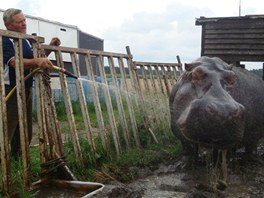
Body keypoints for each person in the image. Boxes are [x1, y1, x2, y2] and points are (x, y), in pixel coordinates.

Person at [2, 8, 61, 158]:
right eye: (19, 21)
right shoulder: (5, 39)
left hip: (26, 88)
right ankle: (3, 166)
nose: (24, 23)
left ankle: (18, 162)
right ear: (9, 24)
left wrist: (49, 49)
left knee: (25, 131)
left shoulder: (26, 41)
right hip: (12, 89)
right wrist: (37, 60)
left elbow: (36, 60)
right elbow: (14, 62)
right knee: (6, 130)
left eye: (24, 20)